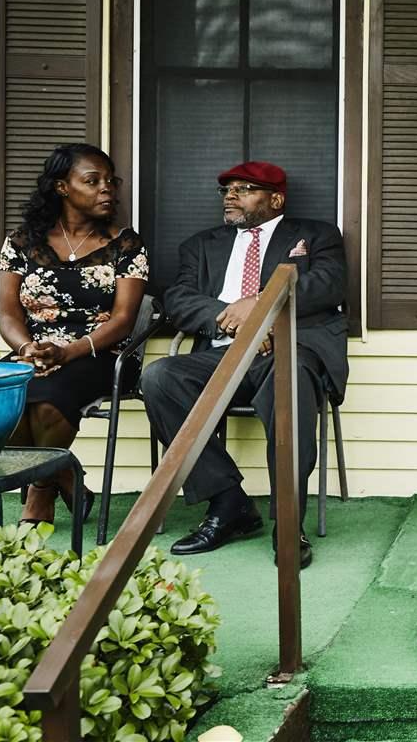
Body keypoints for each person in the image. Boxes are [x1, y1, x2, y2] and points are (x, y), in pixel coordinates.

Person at [141, 161, 348, 569]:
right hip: (222, 354)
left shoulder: (316, 235)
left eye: (244, 189)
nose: (231, 196)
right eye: (227, 190)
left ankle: (288, 523)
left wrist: (261, 308)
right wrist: (233, 316)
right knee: (160, 377)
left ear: (276, 199)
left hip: (288, 349)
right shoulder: (202, 245)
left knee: (289, 381)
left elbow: (327, 284)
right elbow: (180, 298)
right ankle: (229, 501)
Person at [0, 143, 149, 525]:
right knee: (0, 405)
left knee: (49, 401)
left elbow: (124, 320)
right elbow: (8, 314)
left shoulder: (126, 245)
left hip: (102, 354)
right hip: (34, 352)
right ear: (63, 187)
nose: (107, 189)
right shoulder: (21, 242)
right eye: (92, 181)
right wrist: (27, 347)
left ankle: (40, 494)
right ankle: (64, 471)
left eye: (110, 181)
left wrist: (67, 352)